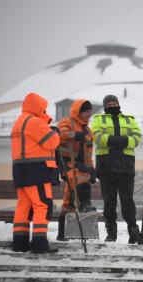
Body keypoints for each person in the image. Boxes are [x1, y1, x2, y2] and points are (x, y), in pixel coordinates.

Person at [11, 92, 60, 253]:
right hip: (36, 170)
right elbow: (51, 142)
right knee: (42, 205)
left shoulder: (19, 122)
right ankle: (39, 244)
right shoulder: (35, 122)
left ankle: (20, 243)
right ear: (38, 107)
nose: (45, 111)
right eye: (43, 108)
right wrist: (55, 132)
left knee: (23, 206)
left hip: (20, 170)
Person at [91, 94, 143, 244]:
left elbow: (137, 138)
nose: (112, 105)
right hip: (106, 167)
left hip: (125, 167)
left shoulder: (129, 120)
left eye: (115, 102)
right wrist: (124, 140)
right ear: (105, 105)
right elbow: (98, 138)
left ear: (118, 104)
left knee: (128, 202)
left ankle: (133, 232)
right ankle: (111, 233)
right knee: (109, 202)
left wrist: (112, 140)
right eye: (109, 103)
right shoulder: (98, 120)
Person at [56, 99, 97, 241]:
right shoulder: (67, 122)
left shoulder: (88, 131)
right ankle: (86, 204)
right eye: (87, 111)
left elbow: (88, 154)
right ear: (79, 112)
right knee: (80, 179)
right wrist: (75, 135)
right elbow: (60, 134)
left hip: (80, 165)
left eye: (91, 111)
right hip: (66, 162)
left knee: (69, 199)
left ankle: (62, 233)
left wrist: (92, 170)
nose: (89, 114)